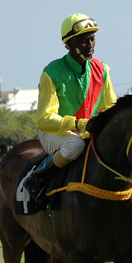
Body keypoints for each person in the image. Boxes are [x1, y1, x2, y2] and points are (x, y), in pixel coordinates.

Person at [23, 13, 116, 200]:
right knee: (75, 144)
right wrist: (80, 124)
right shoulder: (52, 72)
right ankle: (38, 176)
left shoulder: (103, 69)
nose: (90, 45)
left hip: (86, 131)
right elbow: (44, 119)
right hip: (54, 133)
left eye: (92, 39)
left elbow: (109, 108)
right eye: (84, 40)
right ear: (70, 44)